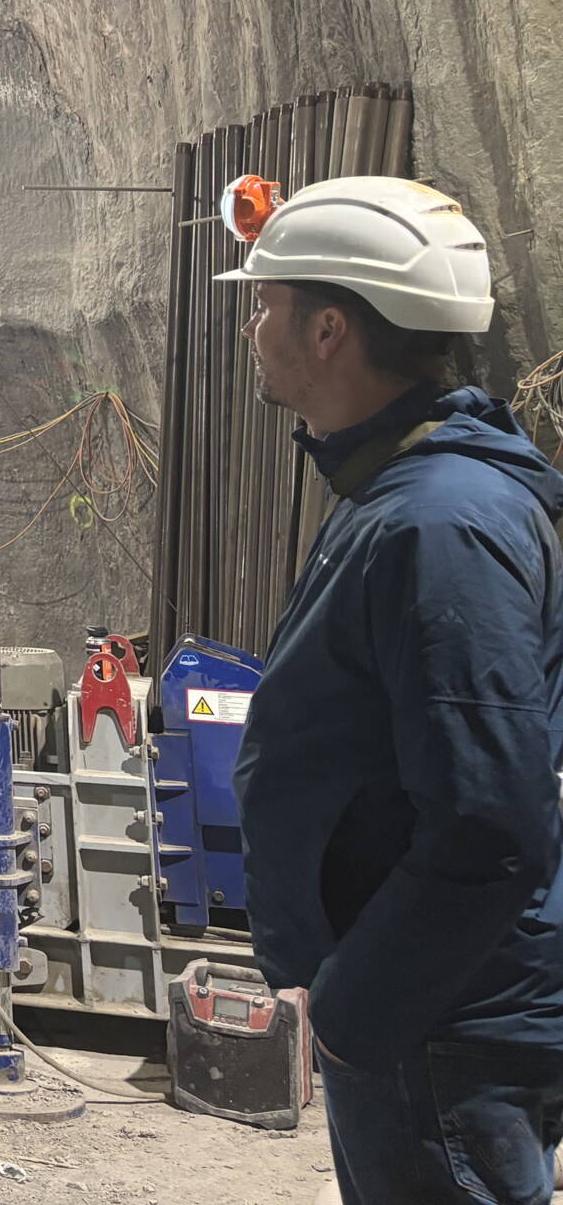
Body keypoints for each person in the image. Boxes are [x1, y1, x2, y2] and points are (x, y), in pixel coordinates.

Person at [227, 178, 563, 1205]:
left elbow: (488, 822)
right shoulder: (405, 488)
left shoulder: (437, 524)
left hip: (438, 1029)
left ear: (328, 329)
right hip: (432, 1013)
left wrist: (353, 1011)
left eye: (266, 301)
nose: (252, 322)